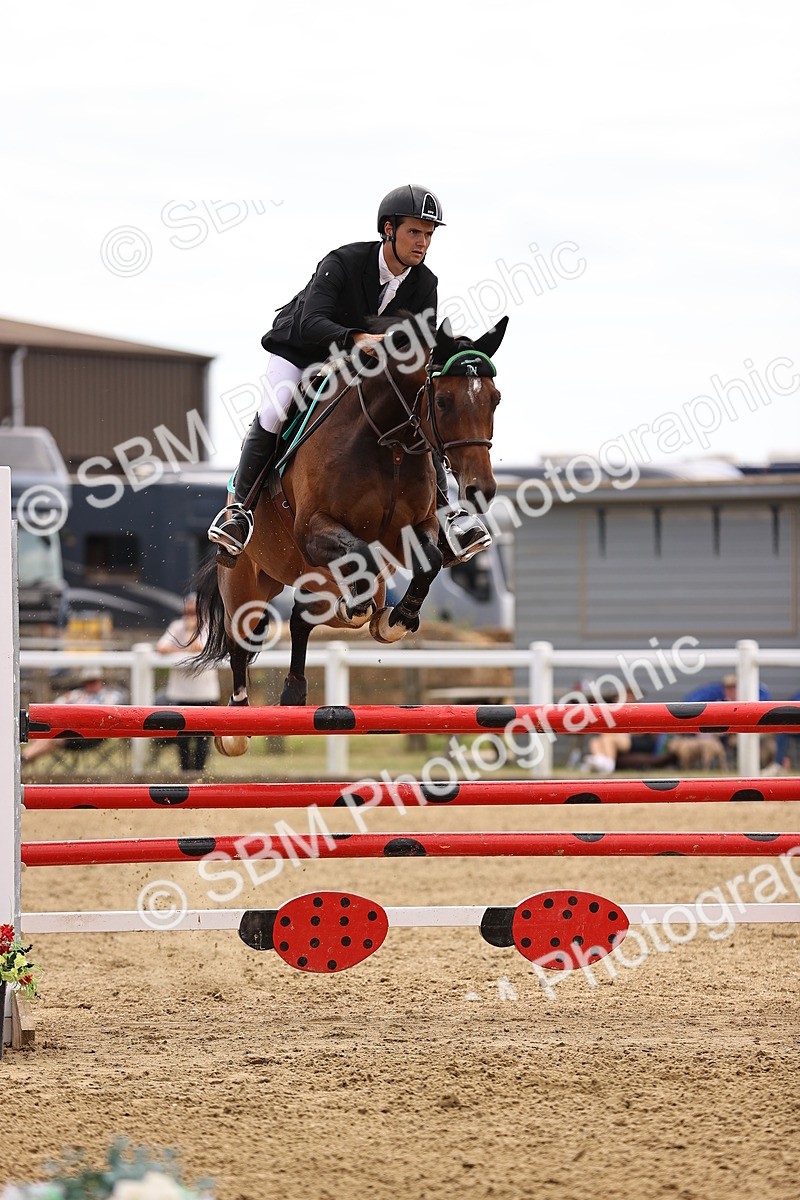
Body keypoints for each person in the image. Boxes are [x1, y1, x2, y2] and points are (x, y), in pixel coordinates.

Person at [207, 183, 492, 569]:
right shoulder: (343, 262)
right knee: (274, 412)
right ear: (388, 229)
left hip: (366, 365)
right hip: (304, 350)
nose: (422, 243)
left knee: (421, 409)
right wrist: (356, 339)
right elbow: (311, 321)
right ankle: (239, 512)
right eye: (414, 232)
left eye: (428, 234)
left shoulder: (426, 283)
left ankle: (449, 514)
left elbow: (420, 347)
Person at [156, 593, 221, 774]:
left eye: (194, 612)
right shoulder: (177, 626)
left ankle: (199, 773)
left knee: (203, 740)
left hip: (205, 694)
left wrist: (183, 642)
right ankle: (185, 774)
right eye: (188, 612)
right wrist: (184, 642)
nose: (190, 617)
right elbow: (161, 647)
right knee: (182, 739)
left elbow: (200, 648)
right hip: (180, 694)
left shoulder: (210, 627)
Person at [21, 667, 127, 764]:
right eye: (88, 682)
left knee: (51, 737)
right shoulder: (76, 695)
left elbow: (116, 716)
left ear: (101, 681)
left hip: (95, 735)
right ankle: (23, 759)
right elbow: (53, 706)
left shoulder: (111, 696)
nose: (91, 685)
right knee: (49, 733)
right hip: (71, 732)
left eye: (93, 681)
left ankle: (22, 759)